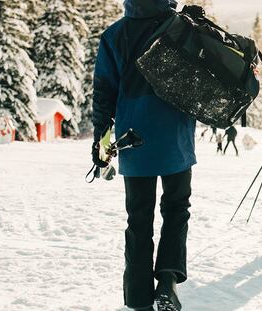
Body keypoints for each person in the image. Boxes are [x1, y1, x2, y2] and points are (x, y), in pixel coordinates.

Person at [91, 1, 196, 310]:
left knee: (139, 219)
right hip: (176, 138)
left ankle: (138, 297)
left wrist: (101, 140)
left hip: (133, 140)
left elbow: (103, 91)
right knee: (176, 211)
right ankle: (167, 282)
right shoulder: (183, 27)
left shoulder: (115, 35)